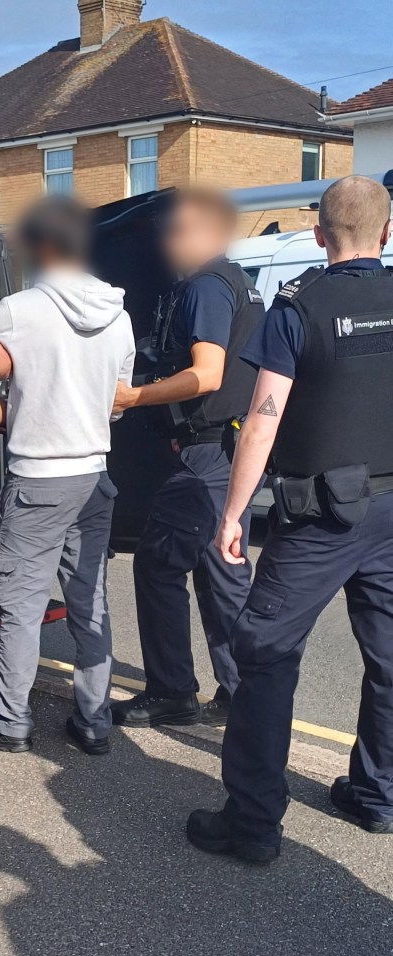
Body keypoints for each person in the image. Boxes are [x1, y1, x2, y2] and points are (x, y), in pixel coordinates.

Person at [188, 175, 393, 863]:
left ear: (317, 235)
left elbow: (261, 421)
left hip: (317, 515)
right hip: (391, 512)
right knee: (390, 658)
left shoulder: (297, 306)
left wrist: (232, 514)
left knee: (264, 654)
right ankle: (377, 793)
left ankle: (249, 824)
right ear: (386, 234)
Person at [0, 195, 136, 756]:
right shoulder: (119, 314)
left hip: (37, 479)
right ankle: (93, 721)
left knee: (22, 605)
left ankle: (11, 724)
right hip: (95, 474)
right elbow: (117, 403)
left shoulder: (15, 312)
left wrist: (19, 414)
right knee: (90, 602)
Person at [111, 189, 264, 728]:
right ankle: (243, 694)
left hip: (209, 454)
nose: (166, 244)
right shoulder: (237, 281)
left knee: (157, 564)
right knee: (221, 572)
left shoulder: (205, 288)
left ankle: (172, 691)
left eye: (176, 232)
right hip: (230, 448)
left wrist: (134, 395)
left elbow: (208, 374)